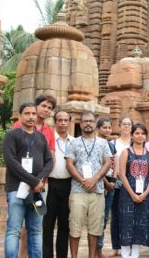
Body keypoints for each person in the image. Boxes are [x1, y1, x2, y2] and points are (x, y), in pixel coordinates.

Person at [3, 102, 53, 258]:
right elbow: (12, 163)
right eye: (27, 113)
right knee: (14, 230)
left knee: (36, 230)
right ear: (20, 116)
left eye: (33, 114)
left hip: (37, 191)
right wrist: (33, 181)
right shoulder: (12, 135)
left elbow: (49, 161)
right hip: (17, 190)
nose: (31, 117)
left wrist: (38, 181)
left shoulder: (41, 137)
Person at [65, 111, 113, 258]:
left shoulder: (103, 143)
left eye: (91, 121)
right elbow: (69, 163)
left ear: (95, 123)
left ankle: (92, 256)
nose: (87, 124)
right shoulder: (73, 142)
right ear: (80, 123)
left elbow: (108, 162)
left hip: (97, 191)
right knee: (75, 227)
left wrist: (95, 179)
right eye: (85, 121)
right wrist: (83, 181)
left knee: (95, 227)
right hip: (78, 191)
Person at [118, 123, 149, 258]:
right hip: (127, 195)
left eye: (142, 133)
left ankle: (135, 255)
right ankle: (124, 254)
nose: (140, 136)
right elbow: (122, 175)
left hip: (144, 195)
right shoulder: (126, 152)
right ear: (132, 135)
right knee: (126, 223)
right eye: (137, 133)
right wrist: (132, 194)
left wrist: (145, 193)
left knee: (140, 224)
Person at [43, 110, 73, 258]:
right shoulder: (48, 139)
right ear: (55, 122)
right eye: (59, 120)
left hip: (68, 185)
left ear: (69, 122)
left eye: (65, 120)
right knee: (47, 224)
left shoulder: (74, 142)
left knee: (64, 225)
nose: (62, 122)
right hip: (50, 184)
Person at [111, 116, 134, 256]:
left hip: (132, 185)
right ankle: (115, 247)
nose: (126, 126)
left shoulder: (136, 143)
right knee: (116, 217)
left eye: (128, 124)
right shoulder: (113, 143)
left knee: (130, 216)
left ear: (132, 127)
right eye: (123, 124)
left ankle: (129, 246)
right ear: (119, 127)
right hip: (117, 184)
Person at [97, 117, 118, 257]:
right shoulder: (96, 144)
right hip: (99, 183)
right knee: (98, 217)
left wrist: (114, 180)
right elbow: (97, 167)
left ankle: (99, 247)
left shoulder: (111, 145)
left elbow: (115, 162)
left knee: (105, 219)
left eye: (109, 127)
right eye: (104, 127)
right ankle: (96, 249)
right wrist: (106, 182)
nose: (107, 130)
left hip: (111, 184)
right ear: (98, 129)